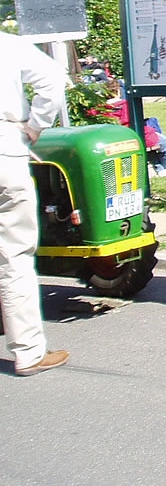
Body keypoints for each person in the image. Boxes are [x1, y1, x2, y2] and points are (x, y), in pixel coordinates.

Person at [1, 33, 70, 376]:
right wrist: (35, 126)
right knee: (14, 256)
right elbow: (54, 78)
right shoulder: (7, 44)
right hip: (5, 151)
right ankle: (27, 351)